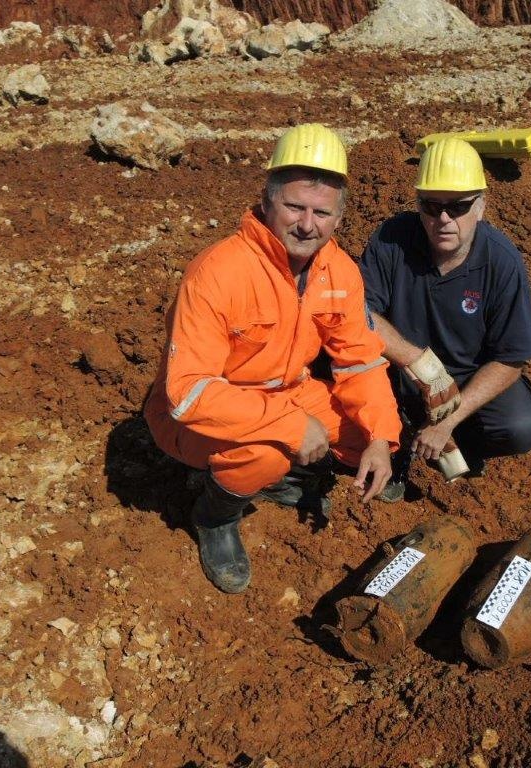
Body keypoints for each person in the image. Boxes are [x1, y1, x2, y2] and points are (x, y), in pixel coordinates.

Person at [145, 124, 401, 594]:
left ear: (339, 220)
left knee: (366, 429)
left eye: (322, 212)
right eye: (295, 206)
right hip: (199, 412)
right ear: (267, 203)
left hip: (286, 392)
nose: (307, 224)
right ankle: (214, 516)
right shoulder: (220, 270)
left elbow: (359, 361)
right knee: (264, 453)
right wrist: (289, 426)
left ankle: (280, 473)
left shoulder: (338, 270)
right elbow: (187, 393)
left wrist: (382, 439)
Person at [360, 136, 531, 500]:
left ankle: (454, 442)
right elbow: (359, 313)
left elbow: (511, 358)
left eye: (458, 207)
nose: (443, 219)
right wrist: (415, 361)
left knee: (521, 426)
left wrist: (449, 420)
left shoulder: (501, 263)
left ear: (480, 207)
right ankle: (395, 446)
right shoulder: (391, 240)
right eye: (431, 206)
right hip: (399, 372)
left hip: (464, 378)